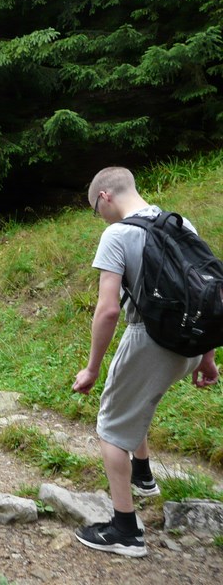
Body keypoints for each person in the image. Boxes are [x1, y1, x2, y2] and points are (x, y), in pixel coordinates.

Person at [72, 167, 219, 557]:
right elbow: (202, 292)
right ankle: (143, 476)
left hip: (151, 339)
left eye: (96, 209)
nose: (100, 217)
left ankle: (125, 530)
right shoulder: (179, 223)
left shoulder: (117, 235)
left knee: (110, 426)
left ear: (104, 196)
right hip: (188, 345)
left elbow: (107, 311)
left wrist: (92, 368)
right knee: (136, 402)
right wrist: (206, 356)